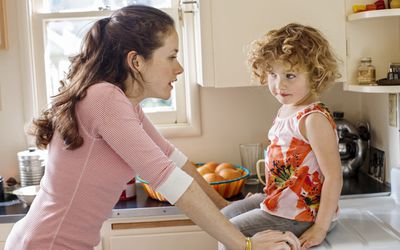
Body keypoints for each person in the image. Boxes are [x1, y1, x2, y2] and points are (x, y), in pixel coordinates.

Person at [5, 5, 301, 250]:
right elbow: (169, 180)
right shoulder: (104, 99)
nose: (179, 68)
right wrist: (245, 245)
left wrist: (226, 206)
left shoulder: (122, 103)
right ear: (136, 61)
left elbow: (176, 163)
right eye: (171, 56)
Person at [219, 23, 343, 250]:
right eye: (272, 74)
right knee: (221, 218)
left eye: (290, 75)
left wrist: (320, 228)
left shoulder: (313, 119)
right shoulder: (287, 110)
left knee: (229, 234)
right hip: (284, 205)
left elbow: (334, 177)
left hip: (301, 215)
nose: (279, 84)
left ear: (315, 75)